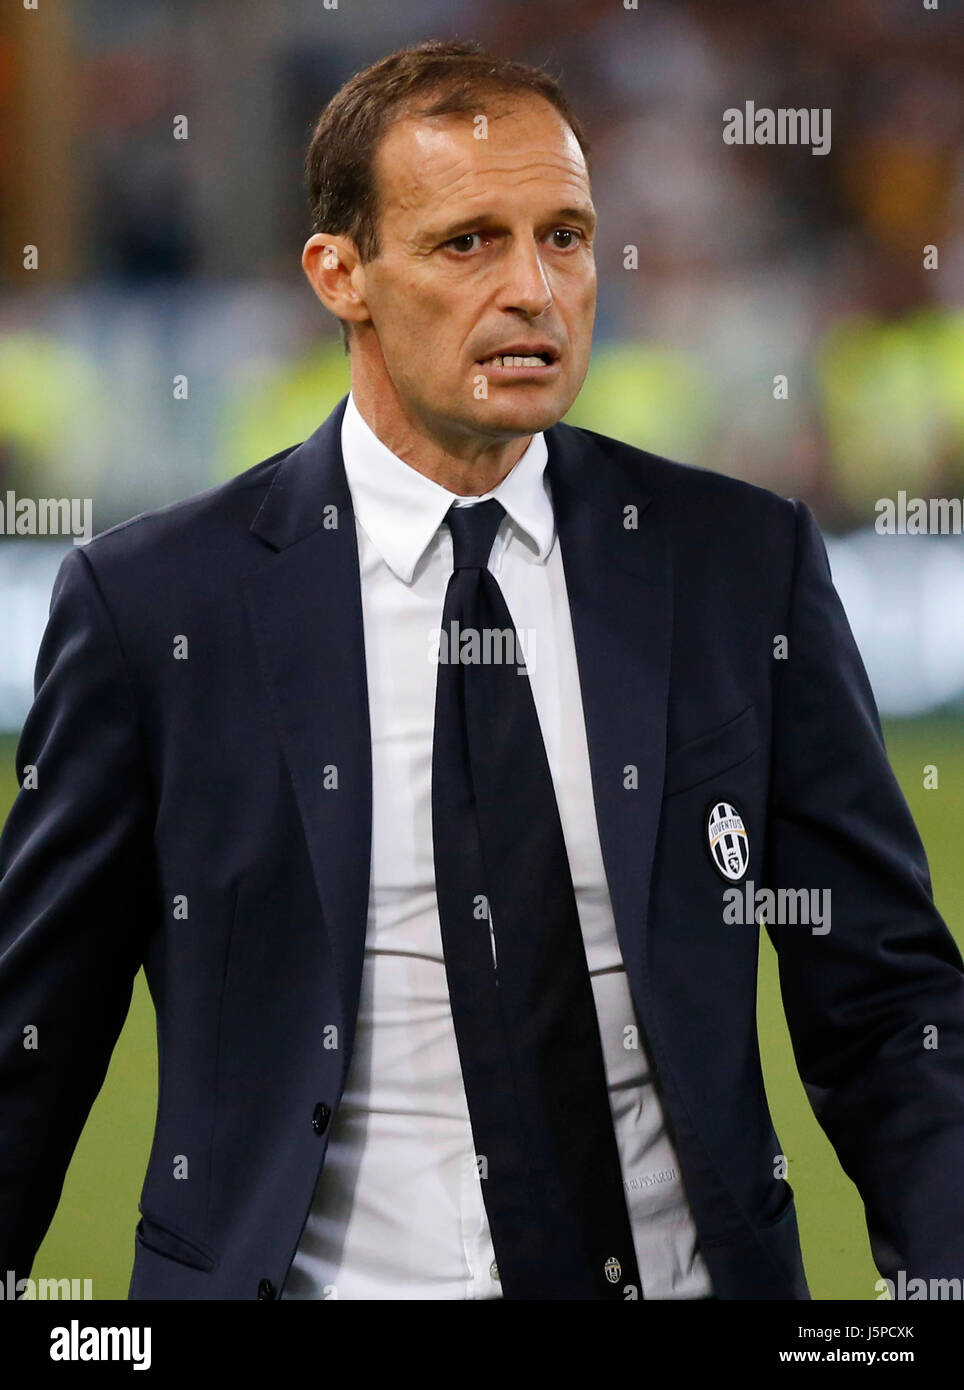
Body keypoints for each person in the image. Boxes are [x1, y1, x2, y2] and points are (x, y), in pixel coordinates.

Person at [1, 38, 963, 1303]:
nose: (535, 290)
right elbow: (37, 1037)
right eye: (469, 243)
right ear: (339, 274)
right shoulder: (156, 608)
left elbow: (887, 1000)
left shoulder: (738, 568)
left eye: (564, 236)